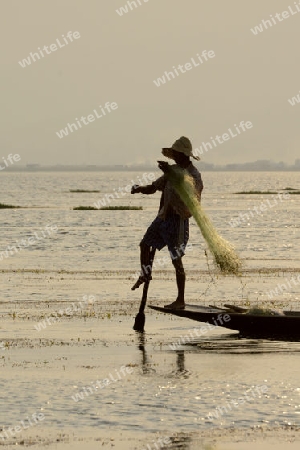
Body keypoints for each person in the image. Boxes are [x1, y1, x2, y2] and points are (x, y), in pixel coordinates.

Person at [131, 136, 203, 310]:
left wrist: (170, 173)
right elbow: (154, 187)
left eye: (177, 154)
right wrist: (139, 188)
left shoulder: (194, 175)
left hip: (178, 221)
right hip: (163, 218)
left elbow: (191, 194)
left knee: (176, 260)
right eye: (175, 154)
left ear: (185, 155)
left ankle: (180, 300)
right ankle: (145, 274)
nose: (175, 157)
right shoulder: (171, 171)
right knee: (144, 245)